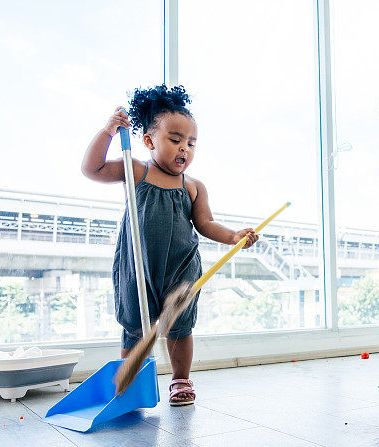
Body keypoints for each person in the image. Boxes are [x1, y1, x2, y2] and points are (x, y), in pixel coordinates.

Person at [81, 85, 257, 406]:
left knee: (180, 327)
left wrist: (233, 236)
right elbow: (91, 169)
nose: (184, 149)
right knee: (135, 325)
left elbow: (205, 224)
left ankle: (180, 379)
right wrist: (107, 132)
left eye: (191, 143)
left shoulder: (193, 186)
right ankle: (130, 383)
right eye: (175, 140)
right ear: (149, 141)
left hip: (181, 267)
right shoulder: (136, 170)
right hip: (137, 266)